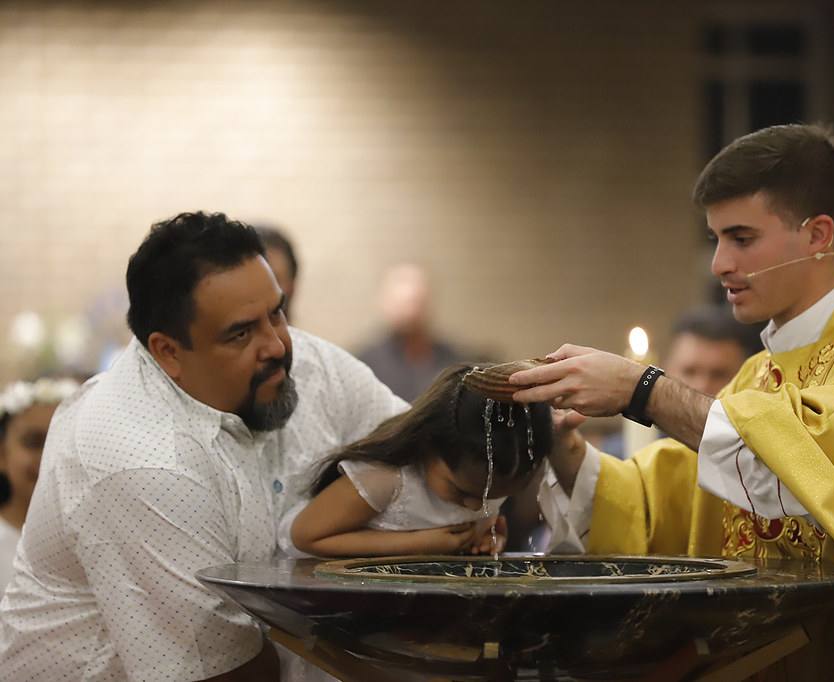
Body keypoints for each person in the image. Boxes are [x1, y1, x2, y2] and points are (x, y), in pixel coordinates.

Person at [513, 124, 834, 680]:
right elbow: (665, 500)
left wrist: (642, 389)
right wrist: (562, 445)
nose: (719, 263)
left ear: (817, 235)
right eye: (716, 239)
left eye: (742, 238)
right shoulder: (756, 376)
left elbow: (804, 468)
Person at [0, 212, 407, 681]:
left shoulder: (307, 364)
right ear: (168, 352)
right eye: (241, 333)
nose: (277, 345)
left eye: (277, 313)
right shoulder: (140, 458)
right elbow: (223, 673)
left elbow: (422, 450)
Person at [281, 364, 554, 558]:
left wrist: (484, 535)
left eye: (494, 497)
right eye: (462, 492)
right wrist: (418, 544)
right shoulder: (385, 478)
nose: (476, 506)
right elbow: (303, 536)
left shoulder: (485, 471)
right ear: (428, 445)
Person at [600, 304, 762, 458]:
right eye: (689, 371)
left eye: (718, 374)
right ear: (666, 371)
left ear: (745, 377)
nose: (702, 385)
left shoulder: (758, 455)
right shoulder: (620, 455)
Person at [0, 377, 80, 589]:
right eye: (34, 442)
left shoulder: (96, 534)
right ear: (2, 455)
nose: (49, 457)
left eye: (64, 442)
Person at [358, 262, 471, 402]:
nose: (409, 313)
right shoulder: (364, 365)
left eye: (415, 302)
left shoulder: (454, 361)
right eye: (401, 303)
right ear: (384, 302)